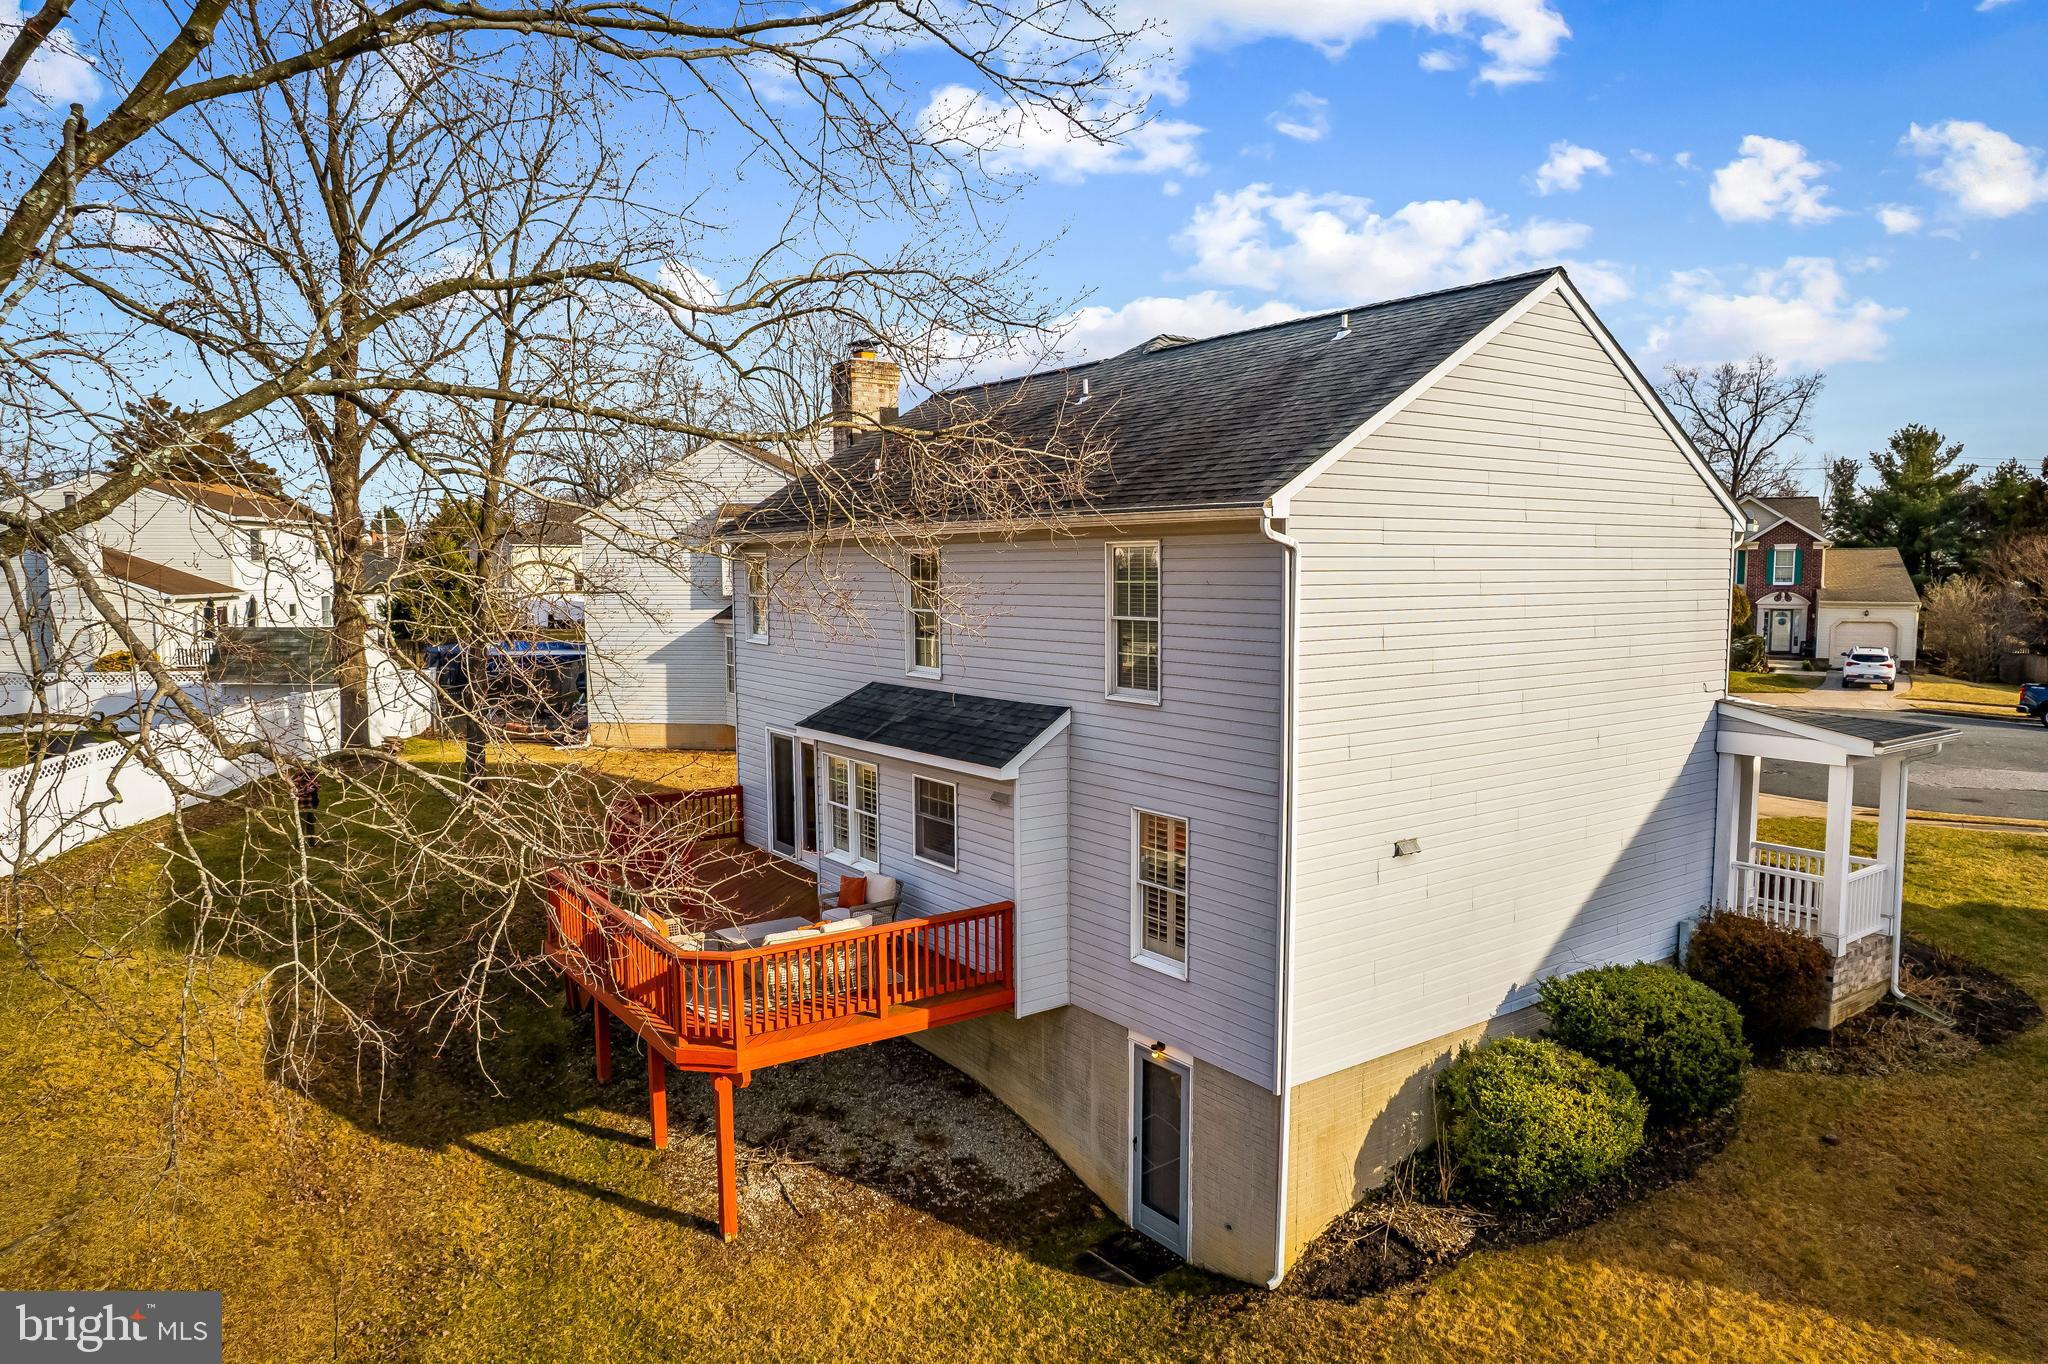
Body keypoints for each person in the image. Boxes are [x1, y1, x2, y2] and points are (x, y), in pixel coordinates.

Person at [290, 764, 320, 841]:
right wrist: (309, 788)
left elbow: (318, 786)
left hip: (309, 804)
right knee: (303, 826)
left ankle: (311, 843)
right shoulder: (300, 776)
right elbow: (297, 790)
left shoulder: (310, 775)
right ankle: (299, 845)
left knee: (309, 824)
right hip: (303, 805)